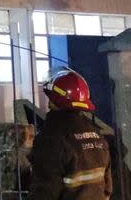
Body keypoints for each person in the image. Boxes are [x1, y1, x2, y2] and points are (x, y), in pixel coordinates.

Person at [29, 69, 113, 200]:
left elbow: (45, 191)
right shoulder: (96, 135)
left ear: (52, 101)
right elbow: (107, 188)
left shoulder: (51, 138)